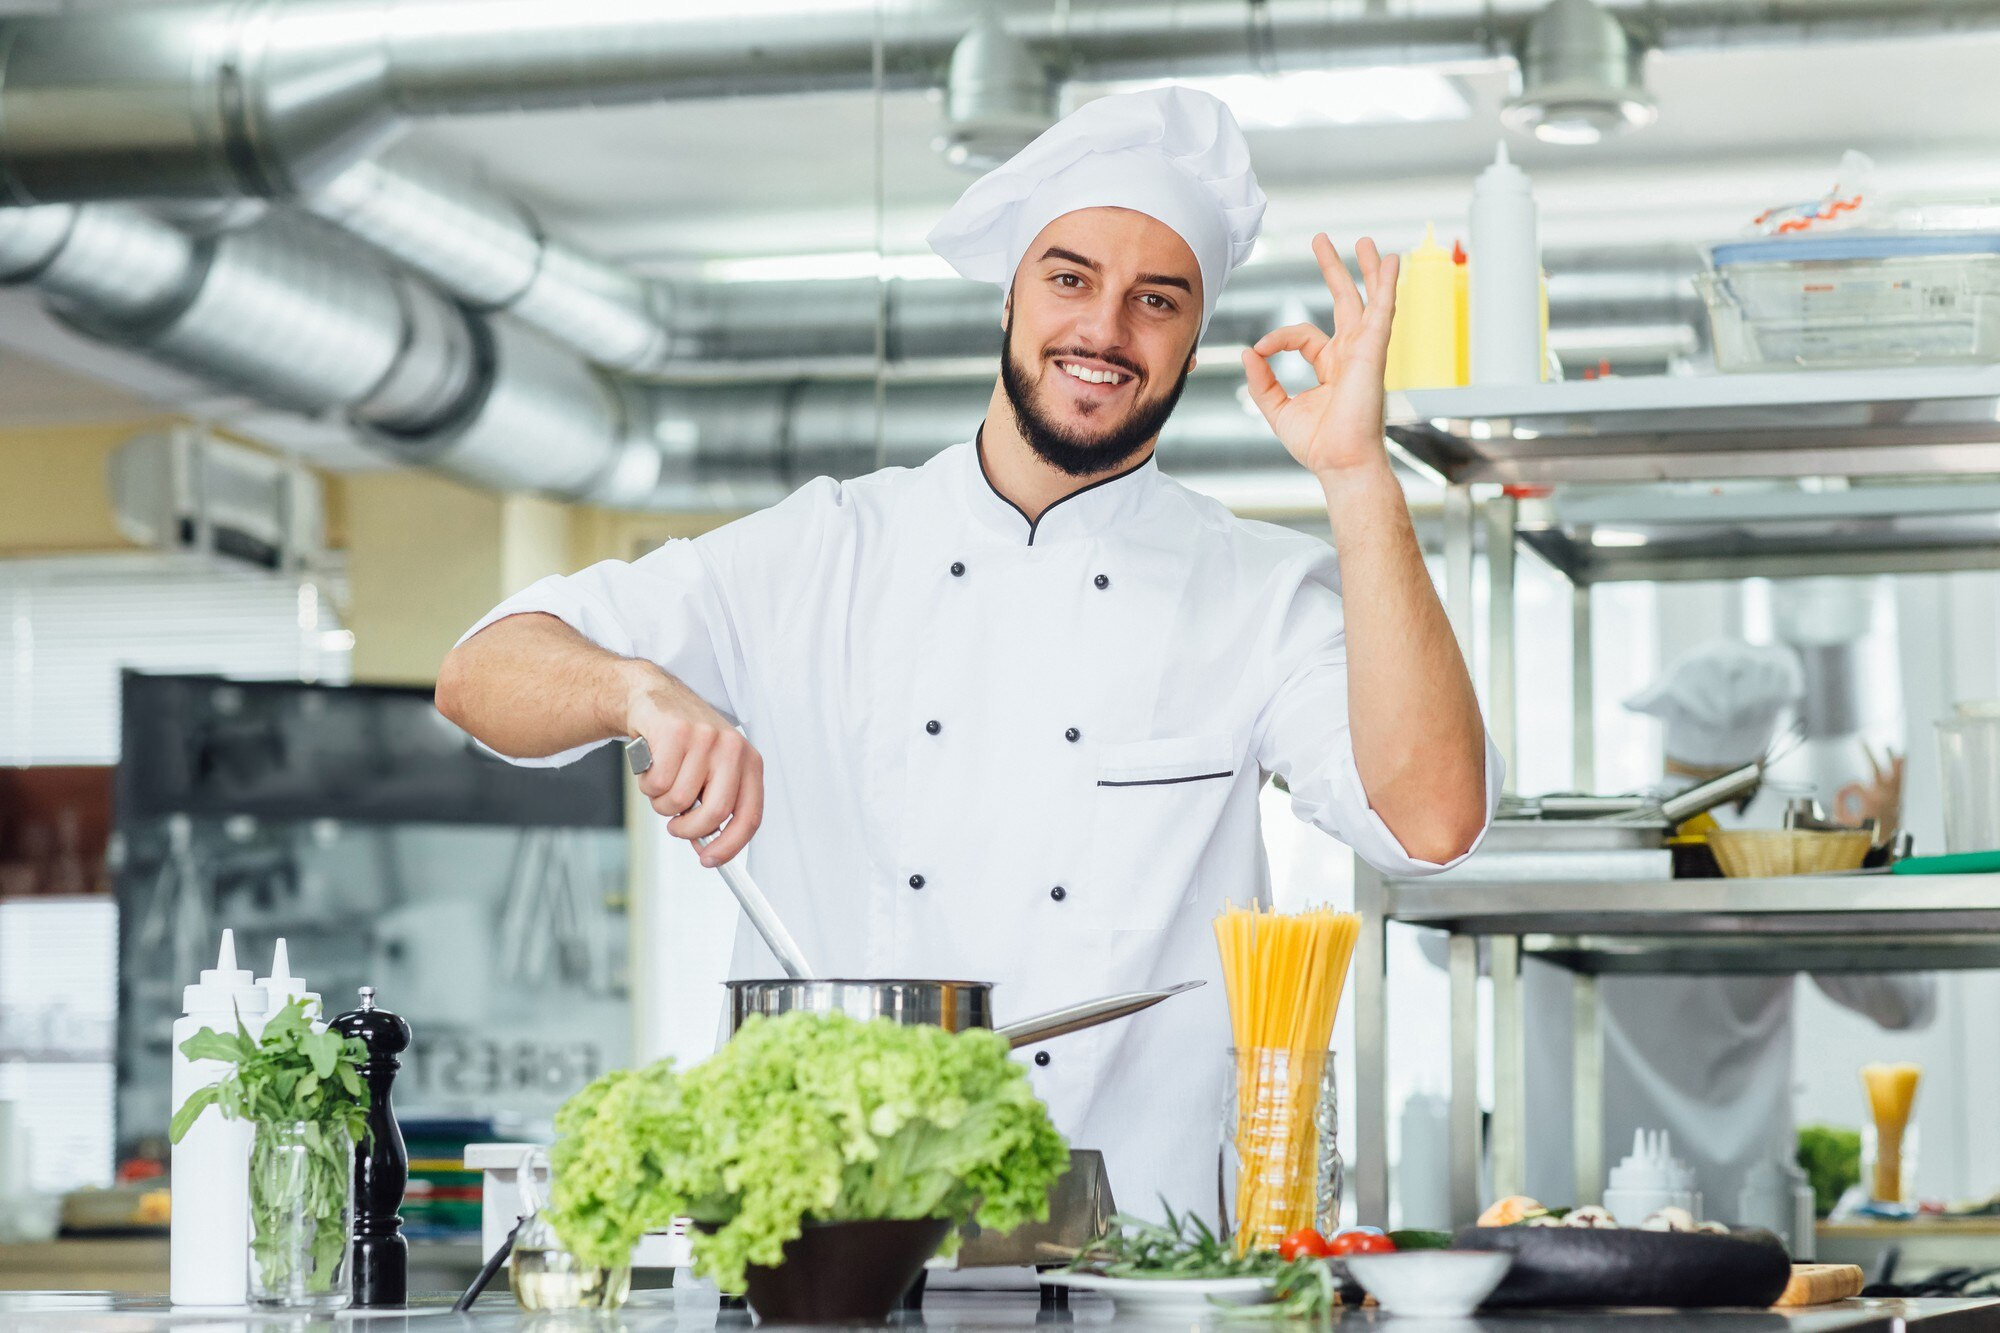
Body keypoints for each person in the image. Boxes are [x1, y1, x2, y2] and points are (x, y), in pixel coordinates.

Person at [435, 86, 1502, 1218]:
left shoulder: (1256, 591)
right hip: (836, 1250)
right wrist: (632, 689)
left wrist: (1354, 477)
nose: (1103, 330)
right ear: (1011, 291)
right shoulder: (822, 550)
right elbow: (479, 676)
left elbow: (1430, 821)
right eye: (1070, 277)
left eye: (1156, 299)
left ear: (1196, 335)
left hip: (1135, 1261)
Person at [1593, 639, 1935, 1214]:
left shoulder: (1598, 845)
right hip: (1749, 1207)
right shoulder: (1789, 855)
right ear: (1768, 748)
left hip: (1586, 1197)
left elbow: (1438, 945)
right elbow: (1906, 1004)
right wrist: (1865, 861)